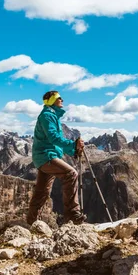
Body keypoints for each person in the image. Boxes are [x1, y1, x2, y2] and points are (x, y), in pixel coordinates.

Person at [27, 90, 86, 225]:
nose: (62, 100)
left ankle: (31, 223)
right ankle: (72, 214)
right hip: (46, 156)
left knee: (42, 192)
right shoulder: (47, 116)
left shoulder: (52, 116)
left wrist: (73, 149)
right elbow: (53, 138)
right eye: (59, 98)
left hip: (45, 156)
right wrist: (73, 144)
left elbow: (56, 142)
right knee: (71, 174)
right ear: (51, 101)